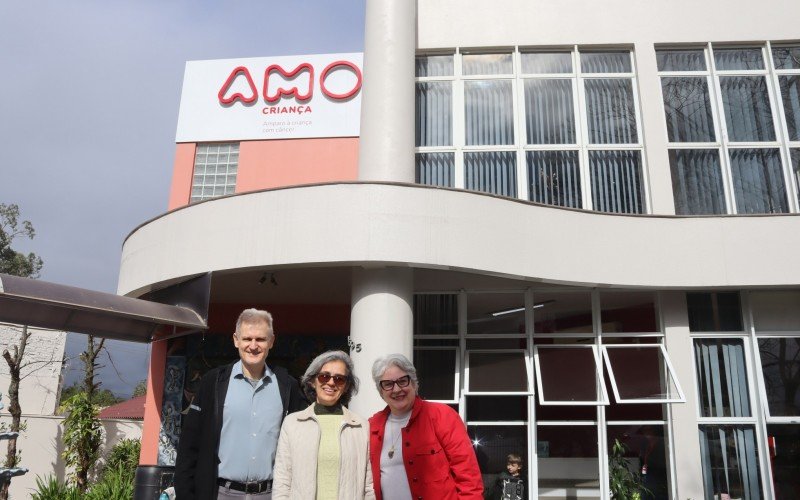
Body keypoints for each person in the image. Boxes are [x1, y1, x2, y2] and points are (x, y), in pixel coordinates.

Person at [175, 308, 306, 500]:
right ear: (236, 340)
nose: (253, 346)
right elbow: (189, 446)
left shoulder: (288, 386)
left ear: (271, 341)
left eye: (260, 339)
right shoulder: (213, 383)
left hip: (271, 494)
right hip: (220, 493)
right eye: (247, 339)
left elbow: (302, 442)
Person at [368, 353, 483, 500]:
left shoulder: (442, 416)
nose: (396, 390)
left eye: (403, 381)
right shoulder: (372, 426)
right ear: (381, 391)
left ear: (414, 383)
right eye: (388, 384)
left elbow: (468, 476)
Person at [273, 350, 375, 500]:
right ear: (312, 381)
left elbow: (369, 485)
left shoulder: (360, 426)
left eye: (339, 379)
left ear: (346, 386)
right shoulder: (292, 423)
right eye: (324, 376)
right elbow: (282, 481)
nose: (331, 382)